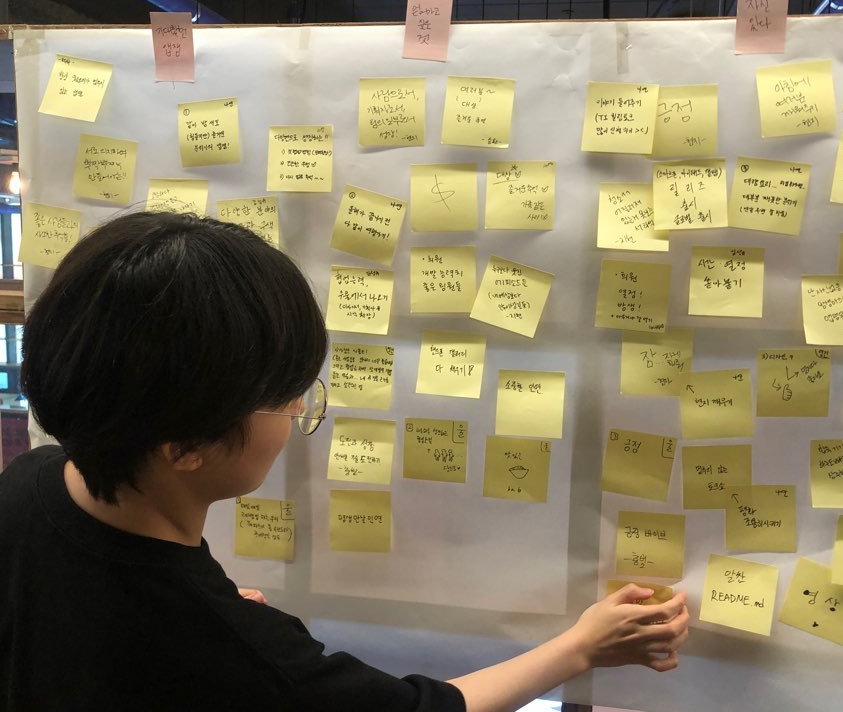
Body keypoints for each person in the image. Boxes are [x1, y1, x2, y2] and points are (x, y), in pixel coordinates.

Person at [0, 211, 689, 711]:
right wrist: (581, 648)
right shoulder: (241, 655)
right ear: (182, 448)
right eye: (280, 396)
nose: (298, 408)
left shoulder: (31, 481)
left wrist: (210, 616)